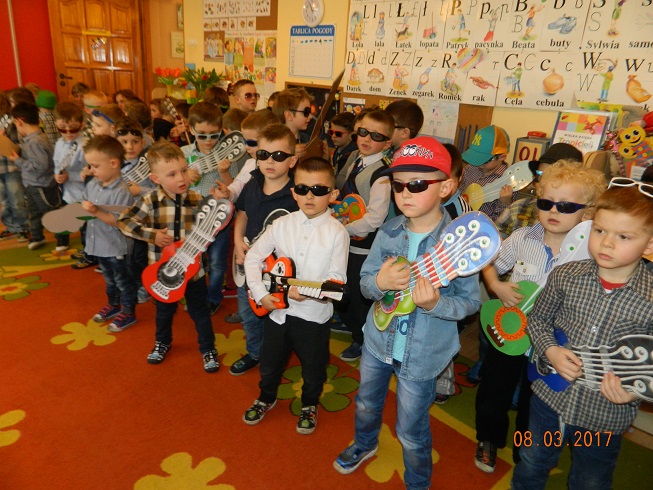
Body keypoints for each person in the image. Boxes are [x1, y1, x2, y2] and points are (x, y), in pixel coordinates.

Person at [333, 136, 482, 489]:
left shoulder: (457, 245)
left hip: (423, 353)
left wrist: (435, 304)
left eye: (416, 184)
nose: (404, 194)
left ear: (445, 187)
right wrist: (379, 282)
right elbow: (365, 284)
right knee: (366, 403)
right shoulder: (388, 231)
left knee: (411, 428)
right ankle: (365, 443)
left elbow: (470, 302)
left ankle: (417, 479)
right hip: (377, 342)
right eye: (398, 185)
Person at [512, 178, 653, 489]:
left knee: (590, 479)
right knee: (532, 460)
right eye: (599, 230)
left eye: (623, 236)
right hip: (548, 398)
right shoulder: (566, 275)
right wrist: (550, 350)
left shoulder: (649, 298)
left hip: (605, 413)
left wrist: (636, 391)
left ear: (650, 244)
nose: (606, 243)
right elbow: (538, 319)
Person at [474, 161, 606, 474]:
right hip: (511, 333)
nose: (553, 211)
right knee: (494, 388)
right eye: (546, 203)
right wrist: (495, 285)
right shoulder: (523, 238)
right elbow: (489, 261)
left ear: (587, 213)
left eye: (566, 206)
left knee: (536, 400)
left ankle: (527, 450)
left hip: (552, 344)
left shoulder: (591, 253)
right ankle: (489, 439)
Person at [242, 157, 349, 433]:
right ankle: (266, 397)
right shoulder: (281, 224)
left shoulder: (337, 233)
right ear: (293, 192)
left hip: (313, 317)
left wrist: (309, 293)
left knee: (314, 367)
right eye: (302, 189)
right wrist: (261, 293)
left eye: (319, 190)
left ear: (333, 194)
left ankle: (309, 403)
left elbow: (336, 283)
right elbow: (253, 257)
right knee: (270, 362)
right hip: (277, 312)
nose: (309, 196)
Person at [117, 141, 221, 373]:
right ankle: (162, 342)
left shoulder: (196, 199)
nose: (181, 178)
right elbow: (124, 221)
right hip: (163, 274)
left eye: (184, 170)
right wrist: (151, 235)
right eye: (172, 174)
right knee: (164, 312)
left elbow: (214, 224)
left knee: (200, 312)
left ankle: (208, 348)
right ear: (156, 179)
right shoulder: (150, 201)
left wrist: (218, 202)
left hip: (193, 273)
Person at [229, 123, 299, 376]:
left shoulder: (296, 195)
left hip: (278, 271)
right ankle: (255, 352)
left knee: (278, 319)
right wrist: (237, 240)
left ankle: (274, 357)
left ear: (292, 161)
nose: (270, 161)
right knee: (248, 314)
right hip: (248, 266)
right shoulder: (252, 183)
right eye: (263, 154)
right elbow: (242, 214)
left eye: (278, 155)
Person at [334, 109, 394, 361]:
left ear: (387, 143)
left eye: (376, 136)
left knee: (360, 296)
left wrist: (342, 229)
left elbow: (375, 218)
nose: (367, 139)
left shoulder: (382, 175)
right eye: (363, 132)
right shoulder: (355, 159)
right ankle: (350, 324)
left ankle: (362, 339)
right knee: (343, 285)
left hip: (365, 246)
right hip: (347, 239)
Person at [182, 101, 246, 315]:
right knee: (193, 260)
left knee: (218, 262)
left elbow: (234, 188)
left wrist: (224, 173)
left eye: (213, 135)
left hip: (219, 217)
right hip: (191, 217)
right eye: (202, 135)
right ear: (191, 129)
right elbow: (170, 185)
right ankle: (194, 294)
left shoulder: (228, 155)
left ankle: (213, 298)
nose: (208, 140)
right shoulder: (183, 154)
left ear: (222, 131)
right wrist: (184, 177)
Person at [81, 136, 137, 331]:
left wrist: (95, 211)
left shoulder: (121, 191)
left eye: (95, 166)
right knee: (109, 279)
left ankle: (128, 312)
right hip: (99, 243)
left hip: (115, 246)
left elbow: (119, 221)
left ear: (113, 163)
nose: (91, 170)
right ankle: (113, 305)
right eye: (90, 165)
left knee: (123, 280)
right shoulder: (93, 184)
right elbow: (84, 202)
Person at [433, 143, 473, 404]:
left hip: (449, 283)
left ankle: (444, 383)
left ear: (458, 178)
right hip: (428, 276)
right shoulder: (430, 203)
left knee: (443, 336)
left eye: (448, 179)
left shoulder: (459, 210)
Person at [495, 143, 583, 239]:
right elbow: (495, 237)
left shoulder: (580, 215)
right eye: (539, 174)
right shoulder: (518, 208)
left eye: (551, 176)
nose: (542, 182)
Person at [8, 102, 60, 251]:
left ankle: (62, 239)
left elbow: (40, 166)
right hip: (32, 184)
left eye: (15, 124)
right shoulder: (31, 140)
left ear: (19, 122)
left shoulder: (36, 141)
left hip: (42, 185)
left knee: (50, 214)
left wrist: (18, 161)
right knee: (34, 213)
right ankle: (37, 237)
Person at [115, 117, 155, 303]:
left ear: (143, 142)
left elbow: (159, 190)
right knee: (123, 257)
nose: (129, 147)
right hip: (118, 218)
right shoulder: (113, 165)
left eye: (134, 142)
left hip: (142, 219)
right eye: (124, 142)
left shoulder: (148, 166)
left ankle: (144, 285)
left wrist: (140, 190)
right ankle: (129, 284)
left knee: (139, 257)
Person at [52, 102, 89, 255]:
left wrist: (69, 176)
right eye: (62, 128)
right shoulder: (59, 143)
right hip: (65, 191)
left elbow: (89, 172)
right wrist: (57, 174)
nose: (68, 132)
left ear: (82, 125)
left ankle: (88, 250)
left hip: (81, 192)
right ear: (56, 125)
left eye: (73, 128)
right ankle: (62, 240)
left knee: (85, 224)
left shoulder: (84, 145)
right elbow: (56, 163)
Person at [459, 125, 514, 222]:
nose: (478, 163)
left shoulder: (508, 182)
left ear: (502, 157)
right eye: (475, 157)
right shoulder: (471, 168)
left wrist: (504, 203)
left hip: (481, 226)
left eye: (484, 160)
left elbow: (501, 224)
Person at [0, 93, 29, 242]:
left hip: (12, 167)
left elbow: (20, 141)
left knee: (17, 198)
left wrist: (6, 138)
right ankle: (10, 227)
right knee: (4, 201)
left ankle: (22, 227)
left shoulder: (10, 120)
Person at [272, 88, 313, 160]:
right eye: (306, 112)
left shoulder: (307, 140)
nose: (310, 116)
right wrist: (288, 155)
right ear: (289, 115)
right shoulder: (273, 142)